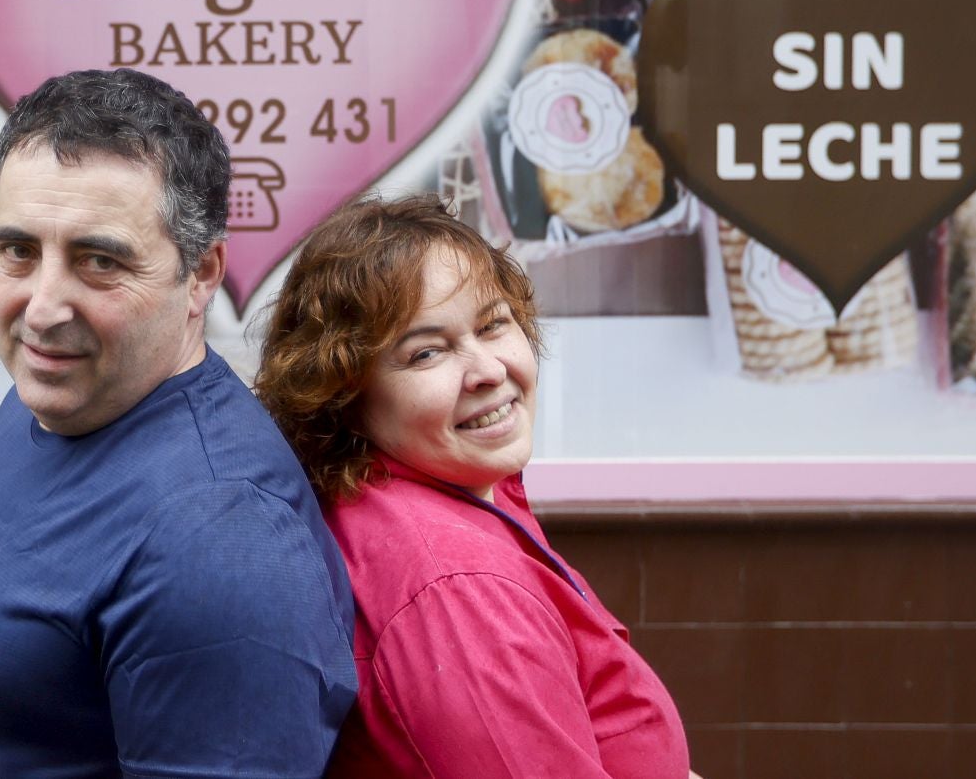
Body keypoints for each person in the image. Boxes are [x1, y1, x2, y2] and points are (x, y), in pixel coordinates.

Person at [0, 68, 357, 779]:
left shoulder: (220, 540)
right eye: (18, 250)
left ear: (201, 275)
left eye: (98, 260)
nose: (42, 307)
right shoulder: (58, 392)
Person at [257, 194, 693, 779]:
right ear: (344, 395)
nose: (488, 369)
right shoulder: (457, 590)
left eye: (493, 325)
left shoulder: (447, 489)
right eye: (427, 353)